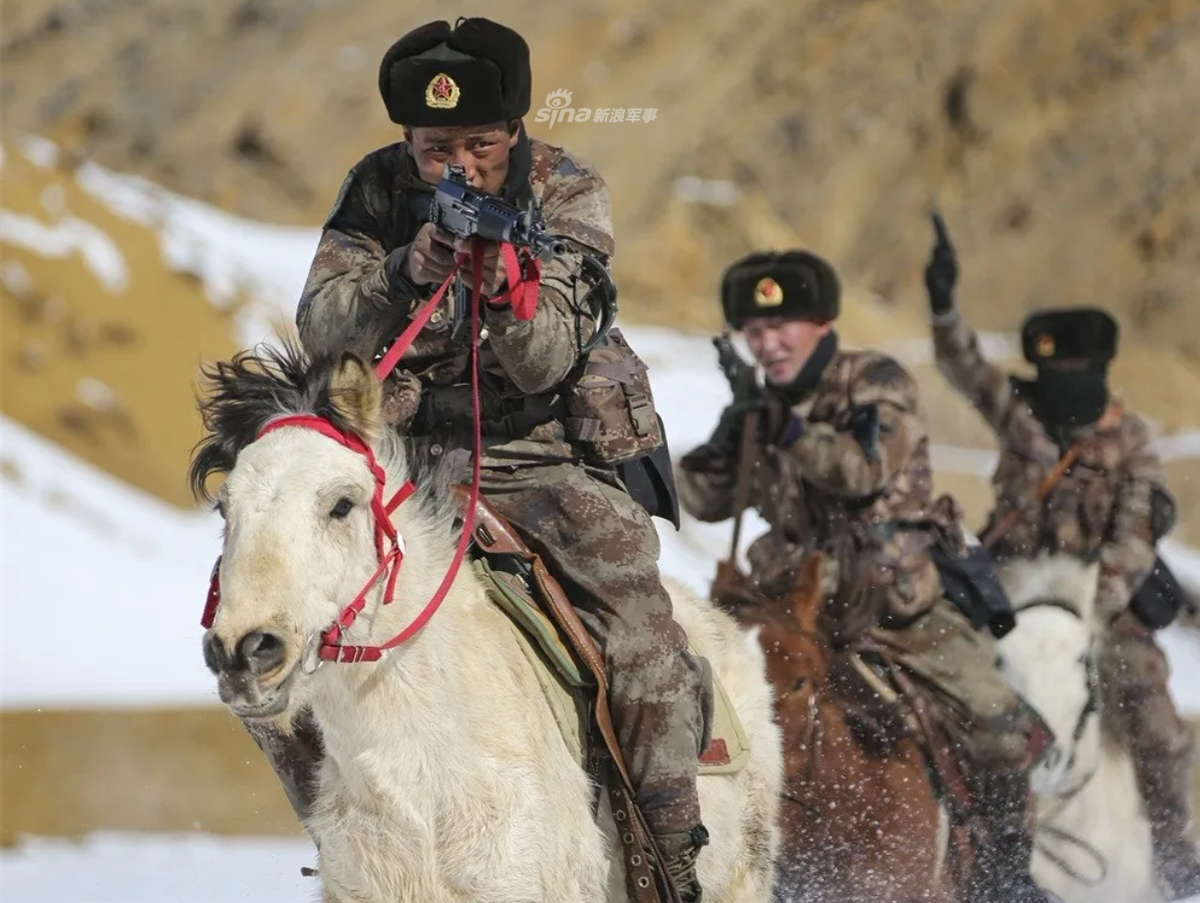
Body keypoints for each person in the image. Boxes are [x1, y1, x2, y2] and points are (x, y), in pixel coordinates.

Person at [259, 16, 712, 899]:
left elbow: (547, 359)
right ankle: (349, 831)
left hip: (532, 457)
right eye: (434, 149)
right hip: (399, 456)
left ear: (515, 132)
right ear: (406, 140)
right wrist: (406, 273)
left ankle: (668, 855)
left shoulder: (567, 191)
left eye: (480, 144)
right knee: (264, 627)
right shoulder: (375, 190)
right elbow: (321, 324)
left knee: (642, 638)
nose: (457, 166)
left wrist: (506, 287)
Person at [677, 249, 1054, 903]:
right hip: (789, 608)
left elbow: (862, 469)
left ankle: (1006, 878)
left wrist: (786, 428)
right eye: (755, 330)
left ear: (821, 323)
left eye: (782, 325)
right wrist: (728, 433)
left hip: (897, 606)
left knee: (996, 724)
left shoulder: (875, 382)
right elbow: (706, 497)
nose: (767, 342)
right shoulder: (763, 405)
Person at [926, 213, 1200, 898]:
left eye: (1071, 370)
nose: (1057, 382)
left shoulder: (1130, 439)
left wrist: (1084, 613)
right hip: (1004, 597)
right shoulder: (1021, 414)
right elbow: (963, 364)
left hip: (1099, 609)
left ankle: (1173, 848)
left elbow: (1135, 538)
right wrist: (943, 305)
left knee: (1158, 726)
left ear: (1099, 370)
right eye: (1048, 369)